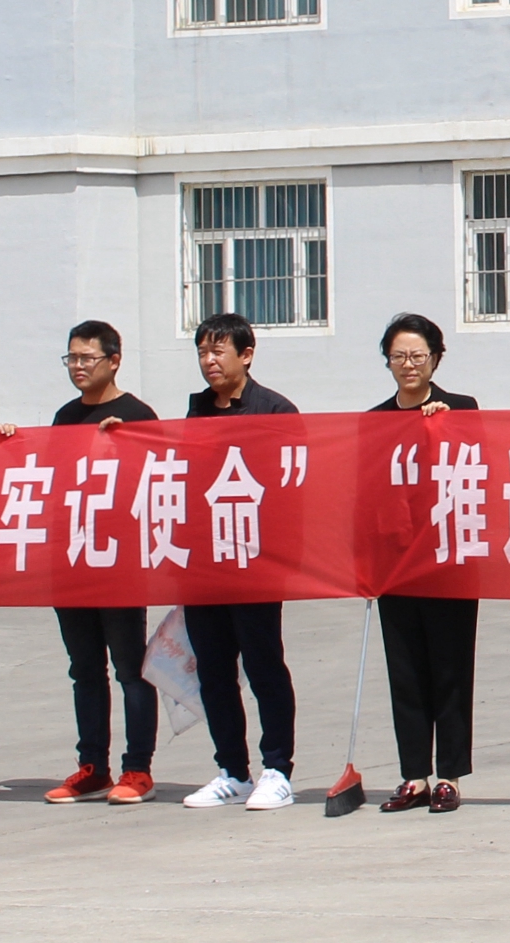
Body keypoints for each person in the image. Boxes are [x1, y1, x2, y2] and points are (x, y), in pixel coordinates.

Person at [178, 313, 305, 812]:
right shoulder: (196, 412)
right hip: (205, 561)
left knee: (263, 664)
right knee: (213, 670)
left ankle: (277, 770)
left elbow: (292, 487)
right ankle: (232, 771)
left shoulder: (275, 410)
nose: (209, 361)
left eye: (218, 351)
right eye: (202, 352)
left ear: (246, 355)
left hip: (255, 559)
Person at [43, 320, 166, 806]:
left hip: (120, 563)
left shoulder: (137, 415)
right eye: (71, 358)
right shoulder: (64, 416)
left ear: (114, 361)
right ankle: (92, 766)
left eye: (87, 358)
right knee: (85, 670)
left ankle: (138, 769)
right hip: (73, 560)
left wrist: (127, 444)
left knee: (131, 669)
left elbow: (160, 480)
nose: (78, 366)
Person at [369, 313, 481, 814]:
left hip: (449, 559)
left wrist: (445, 429)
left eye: (418, 355)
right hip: (396, 564)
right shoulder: (375, 421)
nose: (408, 365)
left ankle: (449, 776)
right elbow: (365, 493)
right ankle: (414, 775)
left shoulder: (461, 409)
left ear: (436, 358)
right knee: (406, 672)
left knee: (450, 668)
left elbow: (481, 472)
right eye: (399, 356)